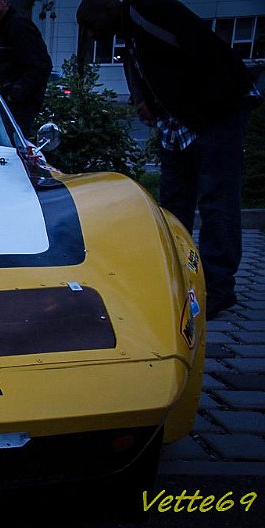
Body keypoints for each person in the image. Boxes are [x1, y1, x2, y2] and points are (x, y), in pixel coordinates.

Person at [77, 0, 262, 320]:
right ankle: (176, 277)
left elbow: (195, 58)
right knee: (174, 201)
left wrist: (175, 111)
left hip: (216, 111)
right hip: (179, 119)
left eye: (92, 26)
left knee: (216, 199)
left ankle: (219, 286)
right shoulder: (131, 32)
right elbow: (147, 68)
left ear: (108, 8)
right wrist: (146, 102)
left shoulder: (149, 12)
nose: (93, 36)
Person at [0, 0, 52, 137]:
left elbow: (41, 65)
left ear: (4, 1)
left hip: (16, 109)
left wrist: (15, 94)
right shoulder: (0, 32)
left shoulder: (19, 27)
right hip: (3, 105)